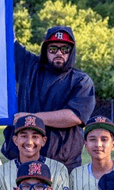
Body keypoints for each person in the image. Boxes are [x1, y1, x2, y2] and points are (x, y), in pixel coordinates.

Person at [7, 26, 95, 172]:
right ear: (45, 50)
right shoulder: (29, 66)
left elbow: (74, 116)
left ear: (71, 52)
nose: (59, 53)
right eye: (53, 48)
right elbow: (8, 40)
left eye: (65, 49)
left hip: (63, 165)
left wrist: (32, 118)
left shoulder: (81, 81)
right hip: (23, 161)